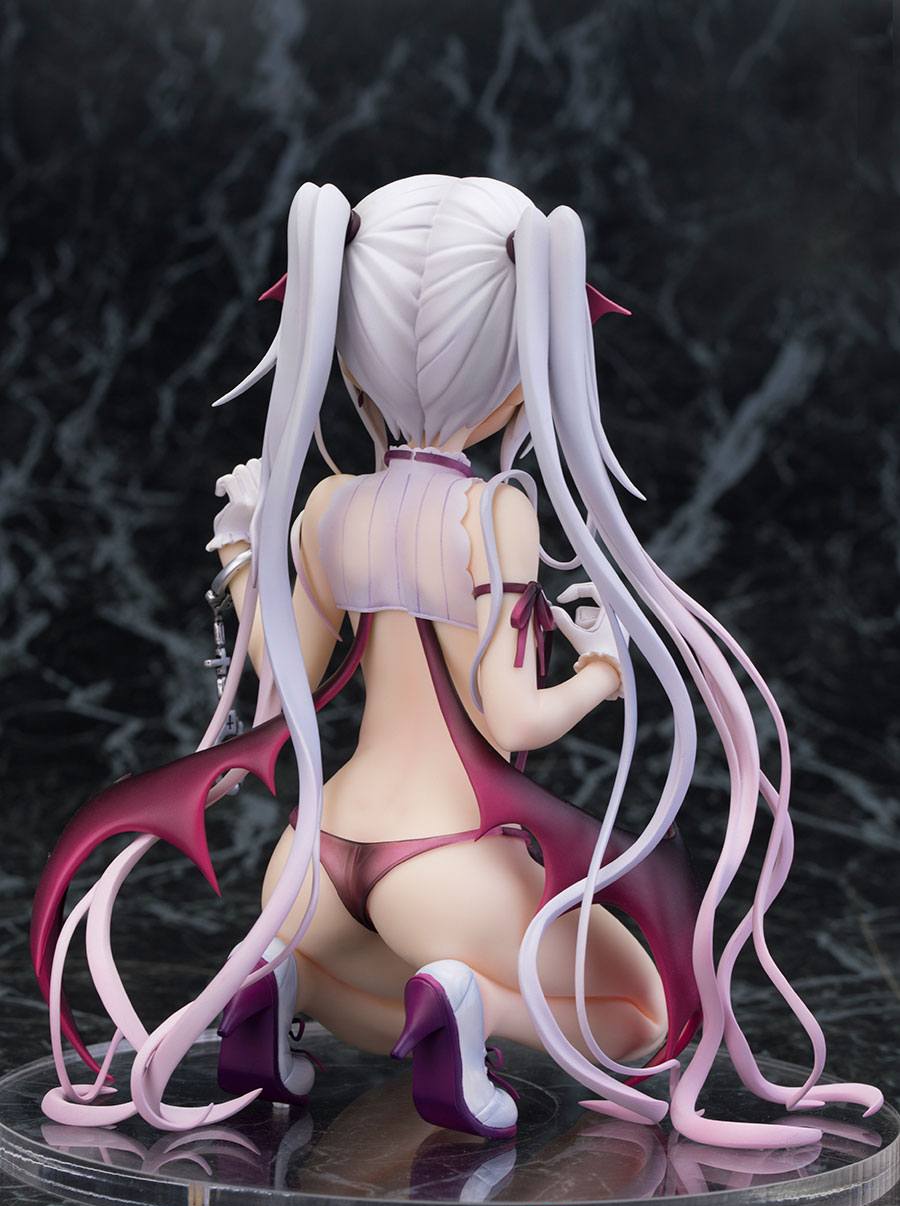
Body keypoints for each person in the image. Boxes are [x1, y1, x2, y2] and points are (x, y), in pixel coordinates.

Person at [31, 176, 881, 1146]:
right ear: (524, 371)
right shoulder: (492, 514)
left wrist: (239, 552)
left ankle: (287, 985)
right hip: (444, 858)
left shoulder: (329, 506)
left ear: (351, 352)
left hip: (310, 858)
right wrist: (601, 672)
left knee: (364, 988)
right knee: (643, 1017)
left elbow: (280, 670)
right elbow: (512, 717)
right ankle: (460, 1005)